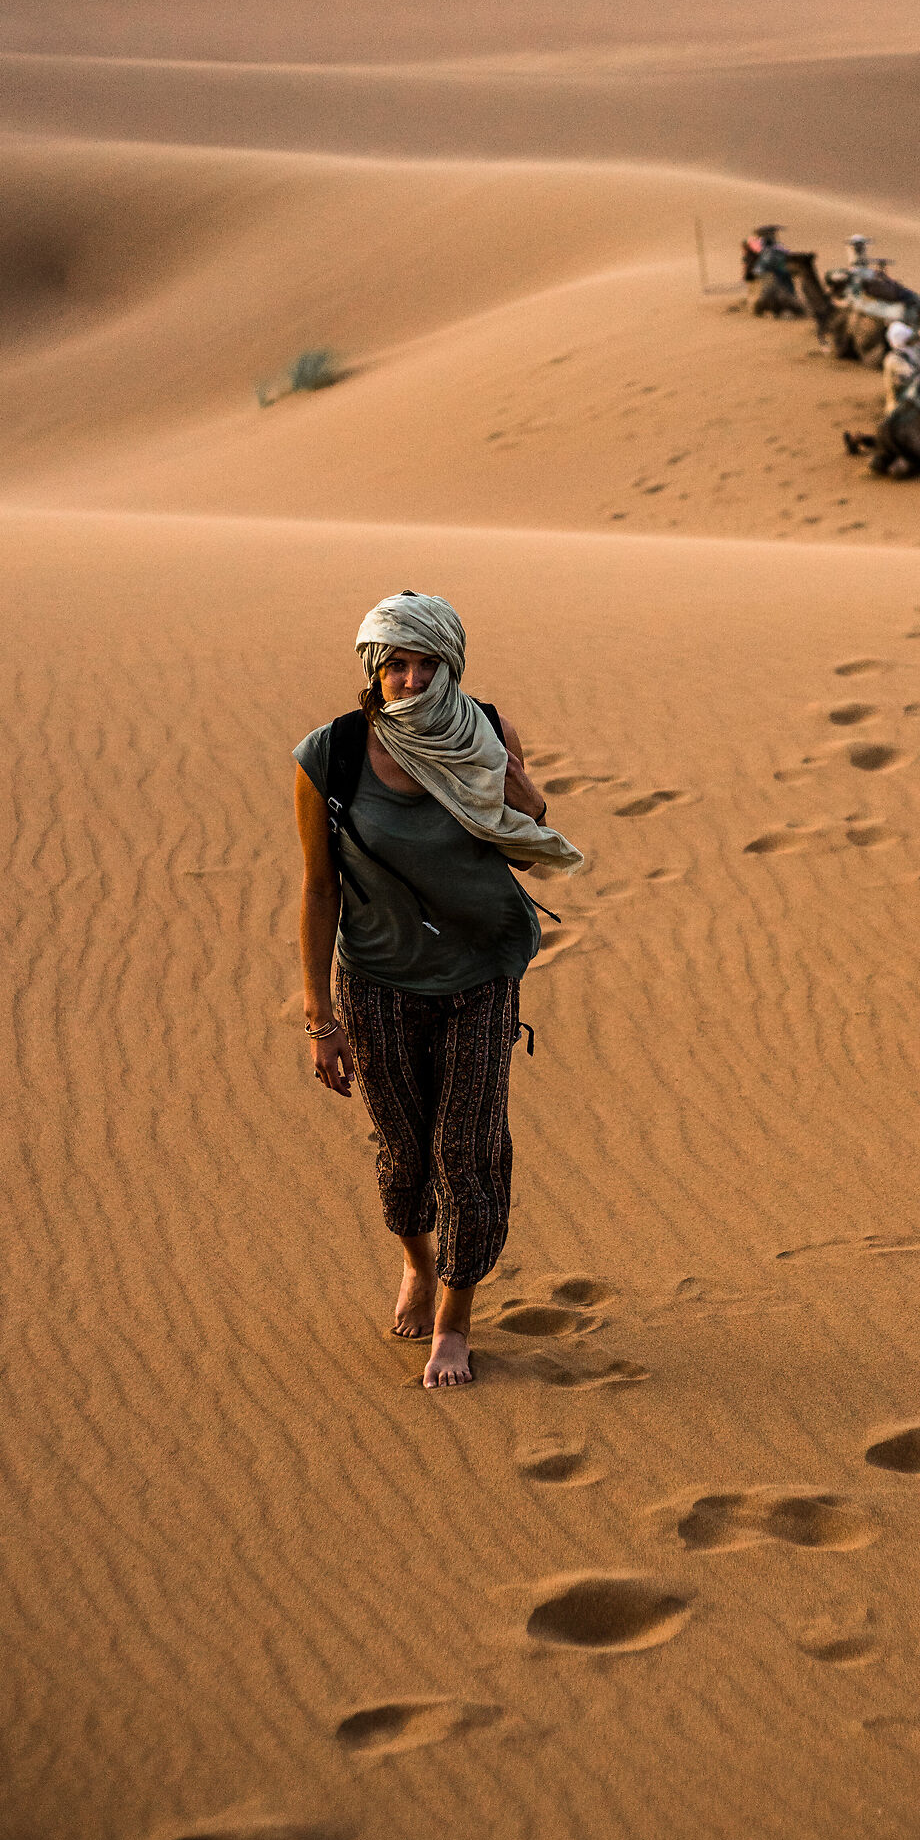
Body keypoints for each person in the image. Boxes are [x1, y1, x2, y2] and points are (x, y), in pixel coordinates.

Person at [294, 592, 584, 1388]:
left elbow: (522, 846)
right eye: (397, 664)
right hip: (379, 982)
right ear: (372, 668)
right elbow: (320, 891)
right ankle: (418, 1263)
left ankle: (454, 1320)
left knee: (471, 1150)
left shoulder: (486, 731)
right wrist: (321, 1020)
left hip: (481, 974)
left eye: (429, 664)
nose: (413, 680)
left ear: (453, 666)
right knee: (403, 1153)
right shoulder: (333, 755)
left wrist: (534, 804)